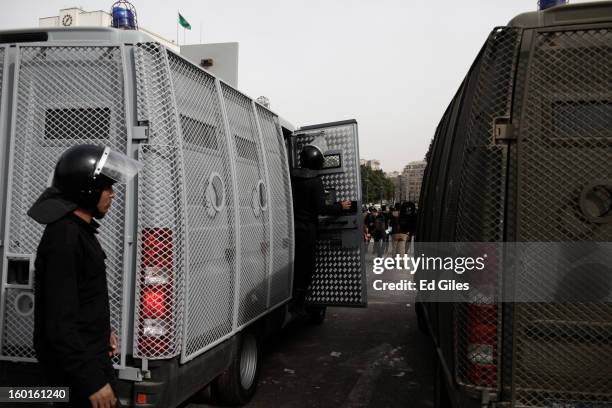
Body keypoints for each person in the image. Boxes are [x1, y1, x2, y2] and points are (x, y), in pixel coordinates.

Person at [28, 144, 142, 408]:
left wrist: (103, 332)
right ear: (87, 189)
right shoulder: (64, 238)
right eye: (107, 187)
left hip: (91, 360)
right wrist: (91, 382)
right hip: (78, 378)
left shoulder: (80, 231)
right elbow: (58, 323)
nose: (112, 194)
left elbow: (83, 298)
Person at [290, 137, 351, 310]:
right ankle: (299, 302)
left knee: (295, 265)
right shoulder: (315, 181)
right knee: (306, 267)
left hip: (292, 229)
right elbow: (321, 208)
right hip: (307, 232)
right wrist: (341, 206)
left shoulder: (292, 178)